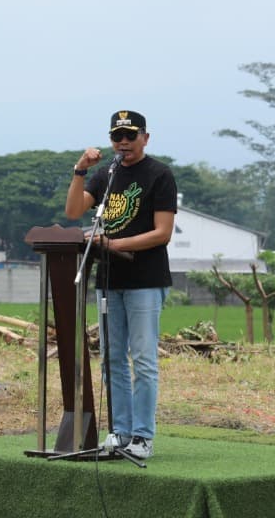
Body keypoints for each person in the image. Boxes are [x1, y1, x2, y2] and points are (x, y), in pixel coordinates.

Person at [64, 110, 177, 460]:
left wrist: (114, 243)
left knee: (142, 359)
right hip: (110, 279)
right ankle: (119, 432)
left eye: (130, 135)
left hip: (145, 280)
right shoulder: (107, 174)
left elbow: (163, 233)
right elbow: (73, 211)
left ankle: (142, 436)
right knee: (112, 359)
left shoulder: (159, 174)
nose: (123, 142)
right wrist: (80, 171)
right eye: (117, 137)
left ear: (145, 137)